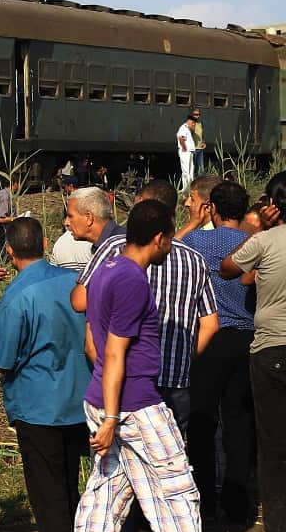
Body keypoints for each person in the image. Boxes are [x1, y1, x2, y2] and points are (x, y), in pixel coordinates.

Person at [74, 200, 201, 532]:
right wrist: (114, 417)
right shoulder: (132, 280)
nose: (171, 246)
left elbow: (94, 344)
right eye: (170, 239)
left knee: (108, 488)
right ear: (159, 238)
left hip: (103, 397)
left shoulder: (106, 268)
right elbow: (115, 352)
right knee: (177, 487)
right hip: (134, 404)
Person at [72, 180, 219, 435]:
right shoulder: (195, 260)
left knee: (122, 463)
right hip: (174, 380)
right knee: (169, 462)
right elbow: (210, 324)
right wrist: (183, 358)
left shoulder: (115, 252)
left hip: (122, 381)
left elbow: (80, 301)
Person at [0, 218, 91, 532]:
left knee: (48, 496)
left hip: (38, 407)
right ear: (45, 243)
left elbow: (2, 358)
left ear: (9, 250)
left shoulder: (16, 297)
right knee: (70, 483)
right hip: (80, 399)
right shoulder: (75, 281)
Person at [176, 182, 255, 532]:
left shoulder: (196, 243)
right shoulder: (253, 243)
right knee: (239, 422)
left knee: (203, 422)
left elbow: (165, 249)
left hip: (208, 338)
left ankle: (205, 502)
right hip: (247, 337)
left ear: (213, 209)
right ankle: (239, 505)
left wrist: (193, 221)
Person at [220, 171, 286, 532]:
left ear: (273, 206)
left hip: (271, 350)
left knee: (274, 447)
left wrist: (258, 228)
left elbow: (228, 268)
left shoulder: (263, 241)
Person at [64, 187, 124, 255]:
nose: (66, 223)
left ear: (89, 218)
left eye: (70, 216)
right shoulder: (105, 246)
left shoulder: (118, 248)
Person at [176, 116, 198, 191]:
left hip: (189, 151)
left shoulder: (187, 129)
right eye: (193, 123)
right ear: (190, 121)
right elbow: (180, 137)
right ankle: (185, 188)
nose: (193, 125)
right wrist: (184, 148)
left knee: (190, 170)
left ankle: (190, 186)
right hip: (185, 152)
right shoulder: (183, 128)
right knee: (186, 170)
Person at [189, 108, 206, 174]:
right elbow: (189, 134)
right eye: (195, 114)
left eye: (198, 114)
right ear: (192, 115)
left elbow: (202, 134)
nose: (197, 116)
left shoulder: (200, 123)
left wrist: (204, 142)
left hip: (200, 149)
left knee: (201, 169)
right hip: (193, 149)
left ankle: (201, 183)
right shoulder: (190, 124)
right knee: (192, 168)